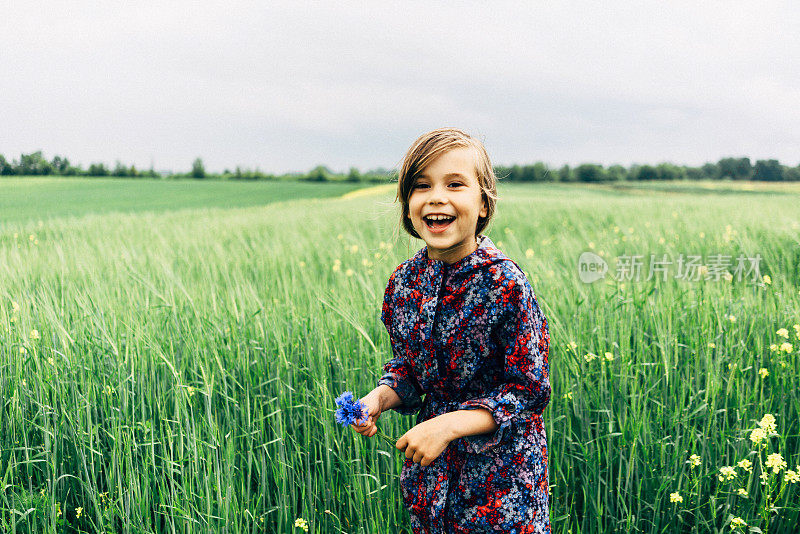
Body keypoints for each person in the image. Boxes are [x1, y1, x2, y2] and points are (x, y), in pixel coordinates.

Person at [353, 127, 552, 533]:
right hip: (432, 481)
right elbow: (411, 370)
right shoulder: (404, 283)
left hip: (502, 483)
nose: (437, 196)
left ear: (483, 204)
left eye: (455, 184)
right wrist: (379, 398)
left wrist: (447, 425)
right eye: (421, 185)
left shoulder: (505, 284)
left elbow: (529, 389)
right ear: (408, 206)